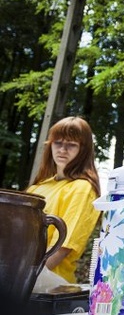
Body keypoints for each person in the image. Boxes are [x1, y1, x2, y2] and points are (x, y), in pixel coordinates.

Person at [27, 116, 101, 283]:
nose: (62, 149)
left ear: (84, 150)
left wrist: (27, 279)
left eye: (71, 145)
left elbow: (64, 246)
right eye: (58, 143)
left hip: (48, 283)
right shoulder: (37, 187)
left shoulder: (82, 188)